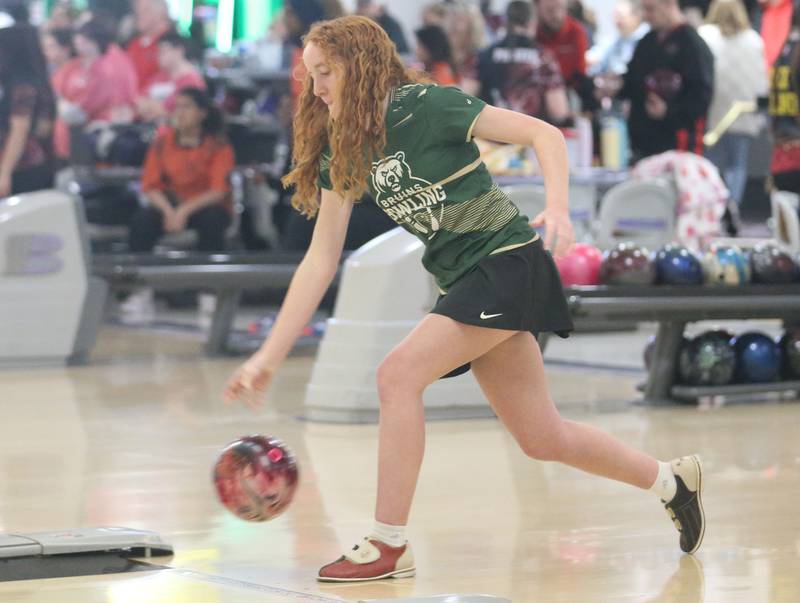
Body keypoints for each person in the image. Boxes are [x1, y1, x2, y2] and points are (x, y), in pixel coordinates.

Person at [223, 15, 705, 582]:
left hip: (508, 262)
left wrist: (557, 207)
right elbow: (320, 259)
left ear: (361, 65)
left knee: (397, 376)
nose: (317, 87)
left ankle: (388, 543)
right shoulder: (345, 146)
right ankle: (672, 481)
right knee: (542, 437)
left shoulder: (429, 105)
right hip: (465, 280)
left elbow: (545, 135)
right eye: (310, 75)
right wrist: (268, 357)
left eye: (325, 71)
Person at [129, 87, 234, 253]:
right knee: (142, 220)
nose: (180, 113)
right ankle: (140, 266)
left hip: (206, 206)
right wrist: (169, 212)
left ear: (202, 113)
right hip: (170, 205)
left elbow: (218, 190)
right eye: (177, 107)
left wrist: (184, 211)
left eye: (186, 107)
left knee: (212, 222)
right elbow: (150, 186)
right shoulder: (161, 143)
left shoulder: (218, 146)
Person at [614, 0, 714, 161]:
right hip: (643, 145)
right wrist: (617, 85)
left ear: (669, 4)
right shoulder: (647, 41)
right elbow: (634, 81)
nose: (646, 16)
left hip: (679, 148)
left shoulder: (692, 45)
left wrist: (668, 111)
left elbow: (701, 98)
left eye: (651, 9)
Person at [699, 0, 767, 206]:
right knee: (737, 163)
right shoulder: (754, 40)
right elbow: (761, 79)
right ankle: (733, 206)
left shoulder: (704, 35)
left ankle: (711, 205)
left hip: (712, 112)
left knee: (710, 162)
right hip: (741, 113)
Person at [477, 0, 570, 124]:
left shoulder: (486, 54)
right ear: (532, 22)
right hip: (530, 132)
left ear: (506, 22)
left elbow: (465, 96)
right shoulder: (543, 58)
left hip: (491, 130)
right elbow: (558, 111)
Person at [0, 24, 56, 196]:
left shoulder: (22, 86)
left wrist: (4, 172)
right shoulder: (37, 81)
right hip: (36, 164)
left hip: (22, 167)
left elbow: (19, 129)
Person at [137, 31, 206, 123]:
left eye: (163, 51)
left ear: (178, 51)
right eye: (158, 52)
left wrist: (160, 111)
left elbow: (189, 117)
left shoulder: (192, 82)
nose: (159, 56)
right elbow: (140, 99)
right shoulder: (160, 76)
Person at [587, 0, 649, 76]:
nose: (617, 21)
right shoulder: (615, 38)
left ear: (636, 16)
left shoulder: (647, 38)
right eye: (615, 16)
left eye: (621, 16)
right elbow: (596, 56)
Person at [127, 0, 176, 94]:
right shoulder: (133, 43)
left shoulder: (174, 46)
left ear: (161, 13)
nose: (139, 15)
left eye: (145, 10)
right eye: (137, 10)